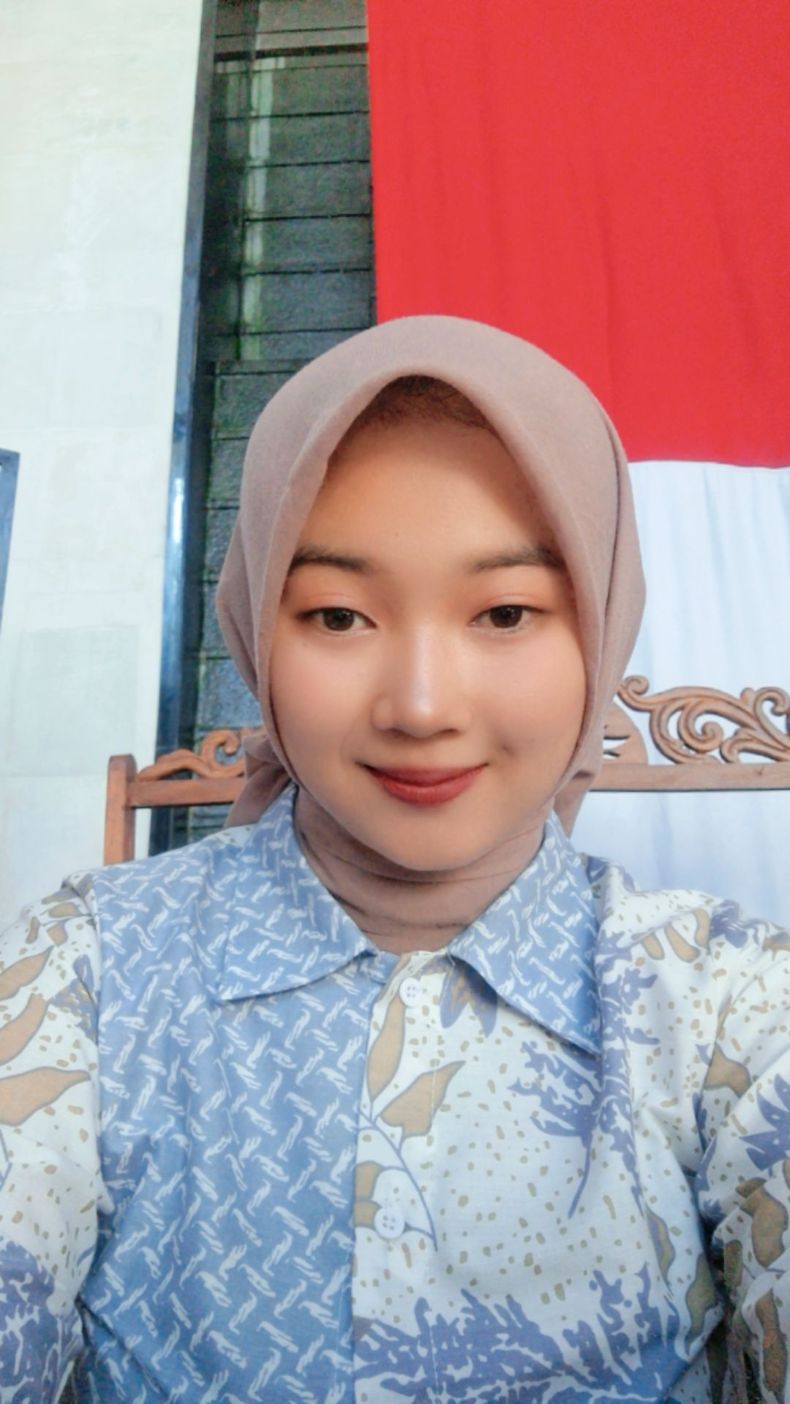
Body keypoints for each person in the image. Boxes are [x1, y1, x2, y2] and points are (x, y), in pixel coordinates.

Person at [0, 317, 787, 1403]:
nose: (420, 706)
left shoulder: (727, 1006)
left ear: (601, 625)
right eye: (338, 615)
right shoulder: (86, 972)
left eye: (504, 612)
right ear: (256, 627)